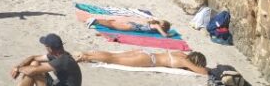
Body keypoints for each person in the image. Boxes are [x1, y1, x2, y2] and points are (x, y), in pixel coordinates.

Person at [10, 34, 82, 86]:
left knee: (32, 72)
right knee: (34, 63)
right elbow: (33, 57)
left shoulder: (63, 60)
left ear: (49, 48)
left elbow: (32, 71)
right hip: (58, 84)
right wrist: (19, 66)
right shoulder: (57, 54)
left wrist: (18, 69)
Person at [75, 49, 207, 75]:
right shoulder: (185, 61)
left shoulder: (181, 54)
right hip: (148, 60)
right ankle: (85, 57)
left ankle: (87, 53)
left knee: (113, 55)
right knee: (113, 59)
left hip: (145, 52)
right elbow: (203, 72)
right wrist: (203, 68)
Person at [85, 17, 174, 37]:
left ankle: (95, 21)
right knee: (113, 26)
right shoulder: (156, 25)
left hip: (132, 24)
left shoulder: (153, 23)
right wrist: (169, 34)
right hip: (132, 27)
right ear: (163, 26)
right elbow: (164, 35)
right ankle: (95, 21)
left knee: (112, 24)